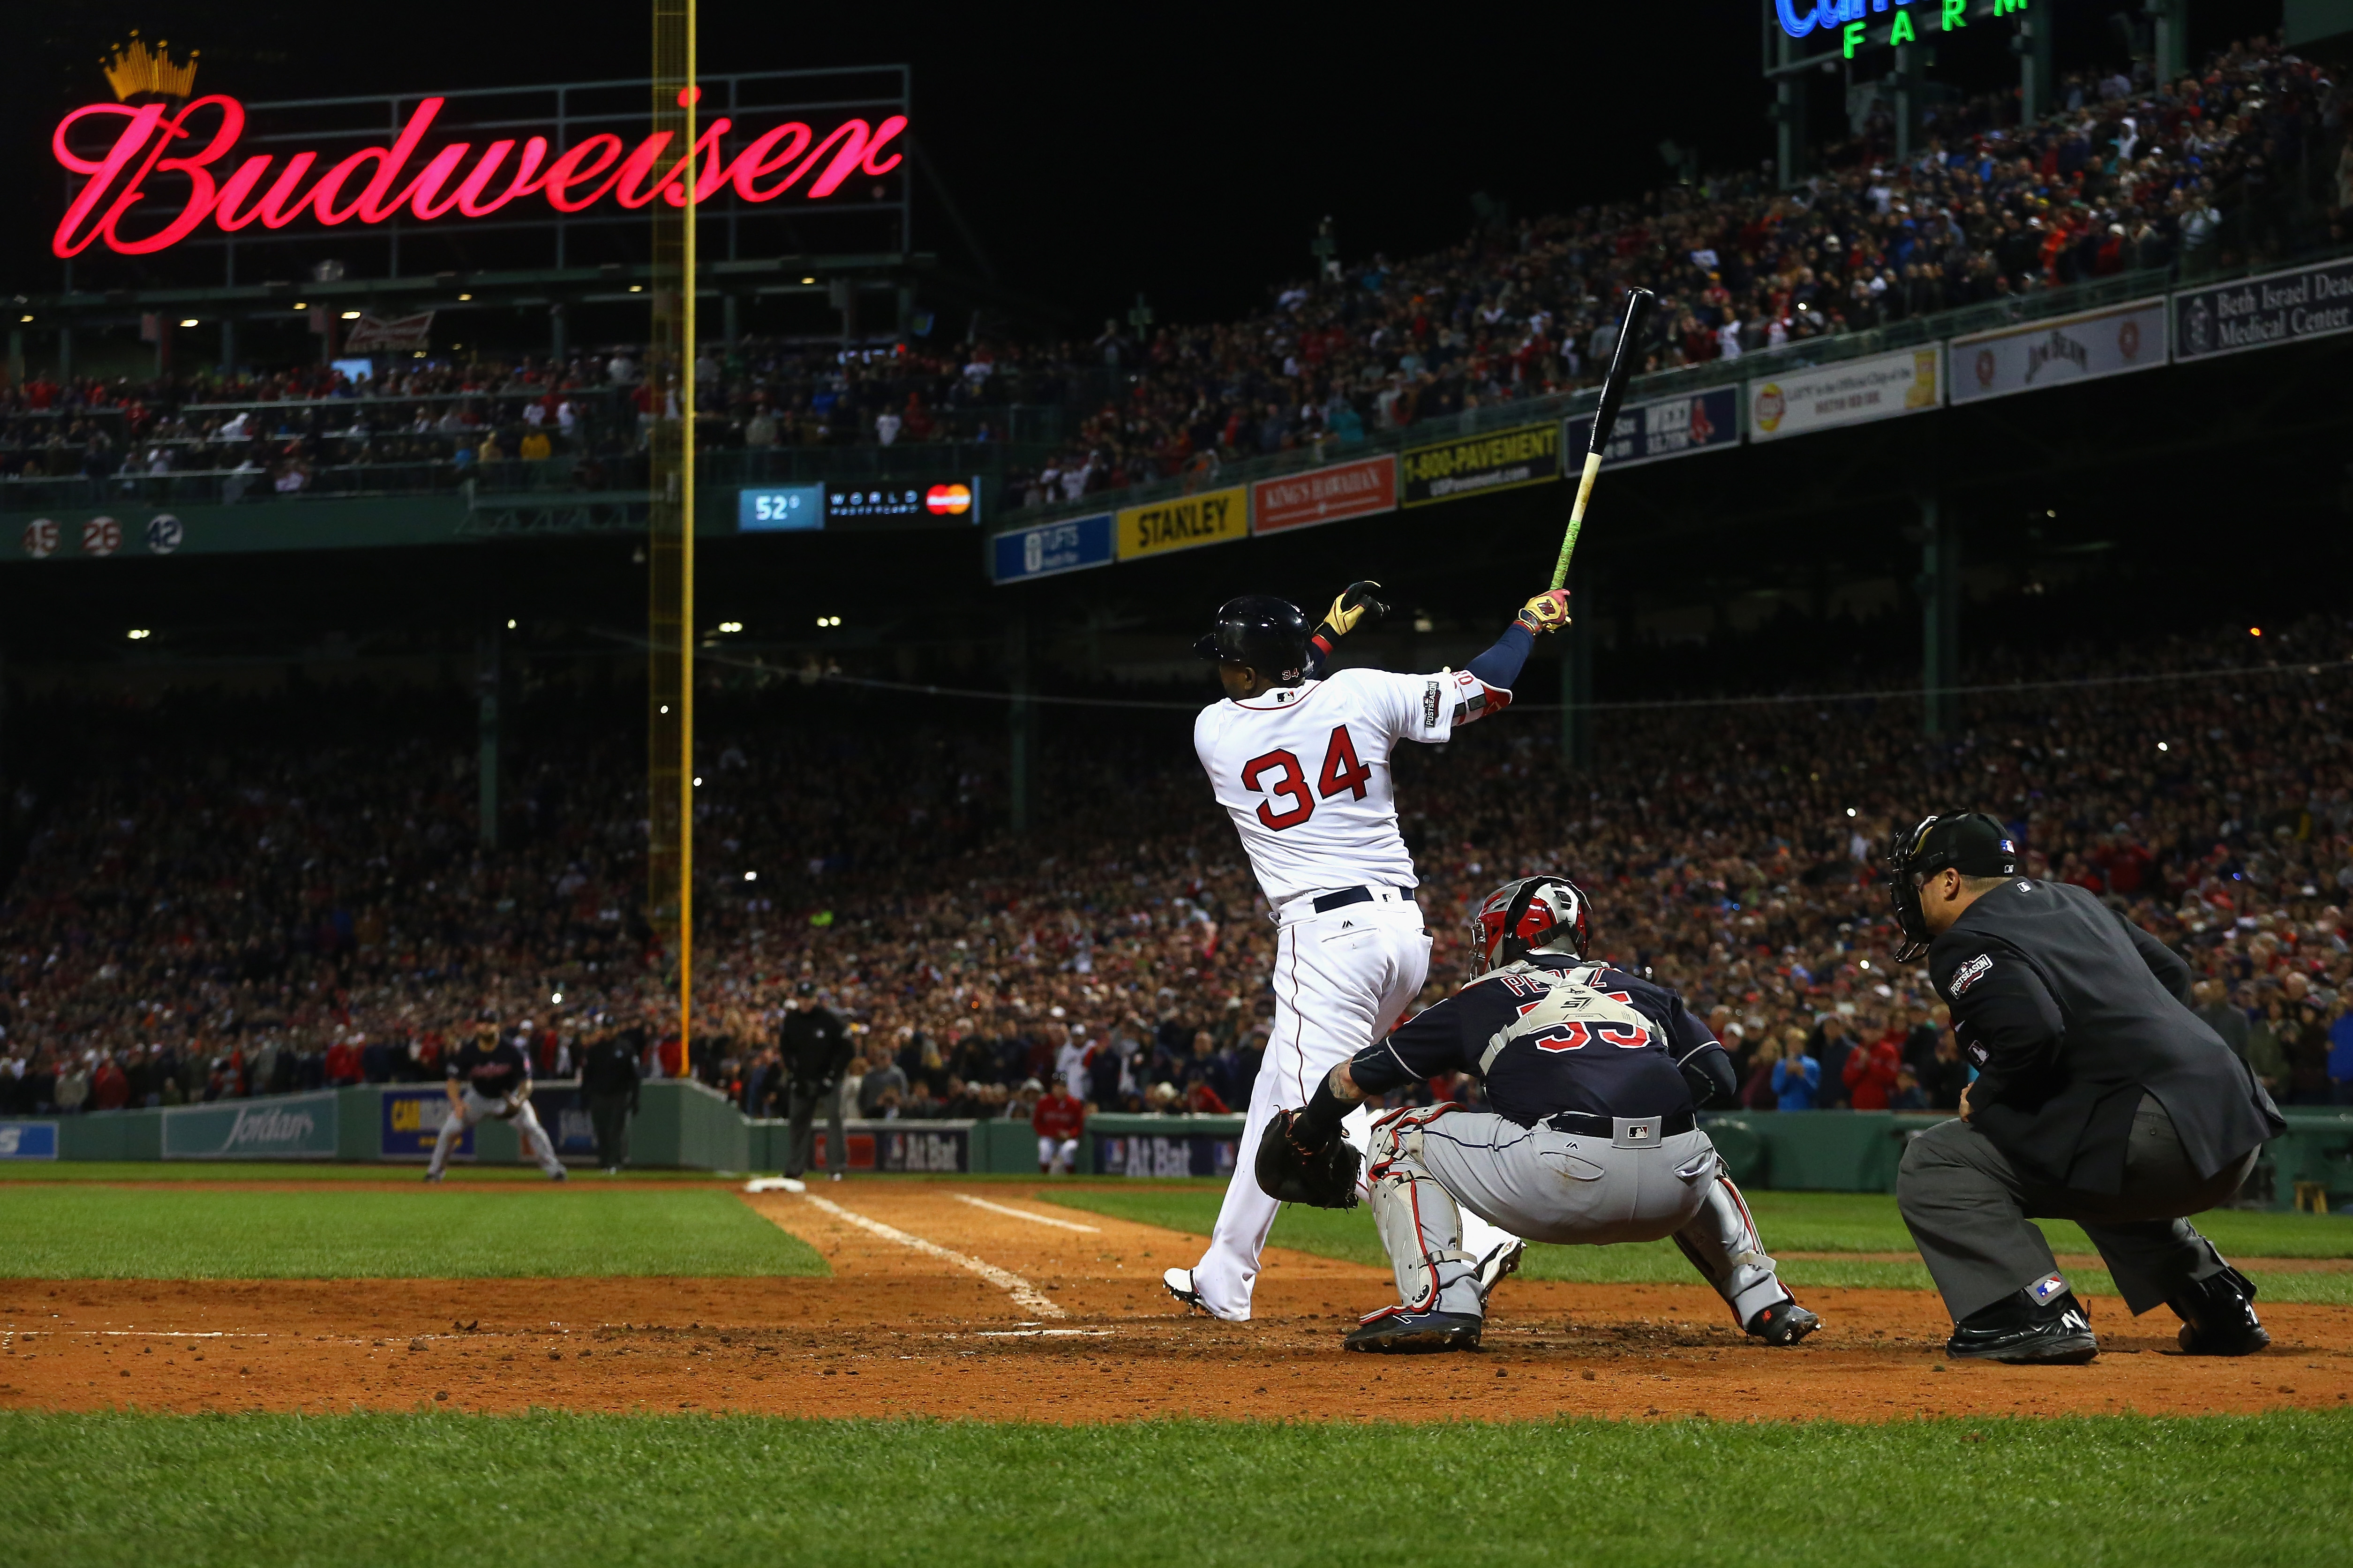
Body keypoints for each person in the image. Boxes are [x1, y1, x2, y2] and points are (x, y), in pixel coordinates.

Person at [1164, 582, 1571, 1323]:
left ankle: (1474, 1237)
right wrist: (1523, 625)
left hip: (1323, 941)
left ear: (1247, 672)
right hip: (1400, 935)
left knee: (1317, 1126)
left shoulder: (1214, 730)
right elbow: (1483, 687)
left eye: (1228, 661)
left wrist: (1321, 633)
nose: (1219, 671)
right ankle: (1223, 1273)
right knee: (1275, 1097)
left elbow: (1284, 689)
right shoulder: (1359, 692)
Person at [1255, 873, 1819, 1352]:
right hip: (1677, 1189)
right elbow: (1717, 1078)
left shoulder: (1483, 997)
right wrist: (1634, 1123)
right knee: (1690, 1140)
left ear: (1505, 935)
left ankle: (1443, 1298)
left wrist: (1309, 1132)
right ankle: (1764, 1300)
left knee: (1398, 1136)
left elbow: (1352, 1078)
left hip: (1563, 1179)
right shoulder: (1641, 990)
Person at [1887, 813, 2285, 1364]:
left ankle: (2034, 1311)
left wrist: (1987, 1091)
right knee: (2076, 1148)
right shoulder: (2075, 900)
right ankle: (2216, 1301)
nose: (1912, 895)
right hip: (2233, 1123)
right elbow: (2172, 974)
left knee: (1934, 1160)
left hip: (2154, 1137)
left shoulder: (1965, 939)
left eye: (1918, 881)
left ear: (1950, 881)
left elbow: (2032, 1032)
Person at [425, 1019, 567, 1182]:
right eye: (482, 1022)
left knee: (532, 1127)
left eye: (490, 1023)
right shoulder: (469, 1052)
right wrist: (457, 1103)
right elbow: (453, 1082)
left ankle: (555, 1170)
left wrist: (519, 1101)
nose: (485, 1026)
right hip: (478, 1098)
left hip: (508, 1096)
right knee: (450, 1129)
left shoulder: (512, 1050)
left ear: (497, 1026)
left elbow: (526, 1083)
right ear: (477, 1027)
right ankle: (434, 1173)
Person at [781, 981, 853, 1182]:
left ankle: (837, 1167)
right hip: (804, 1079)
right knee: (798, 1122)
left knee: (835, 1119)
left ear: (815, 999)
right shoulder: (792, 1021)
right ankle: (795, 1168)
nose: (805, 1002)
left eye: (809, 998)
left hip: (828, 1079)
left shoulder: (829, 1020)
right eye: (802, 999)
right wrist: (795, 1076)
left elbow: (848, 1049)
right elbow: (786, 1050)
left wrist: (832, 1076)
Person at [579, 1020, 642, 1174]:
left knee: (616, 1130)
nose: (608, 1032)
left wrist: (635, 1098)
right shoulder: (595, 1050)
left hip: (619, 1095)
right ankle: (604, 1161)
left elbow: (634, 1076)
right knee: (601, 1130)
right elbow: (587, 1076)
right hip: (599, 1095)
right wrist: (584, 1097)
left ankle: (615, 1162)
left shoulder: (625, 1048)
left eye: (611, 1028)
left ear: (616, 1029)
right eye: (606, 1028)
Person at [1033, 1073, 1087, 1174]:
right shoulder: (1044, 1102)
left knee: (1067, 1150)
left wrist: (1070, 1134)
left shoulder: (1074, 1104)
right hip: (1050, 1137)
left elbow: (1079, 1126)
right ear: (1053, 1087)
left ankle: (1070, 1179)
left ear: (1066, 1087)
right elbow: (1037, 1123)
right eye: (1057, 1086)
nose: (1059, 1089)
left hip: (1068, 1138)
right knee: (1045, 1149)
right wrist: (1051, 1133)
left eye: (1062, 1086)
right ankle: (1043, 1179)